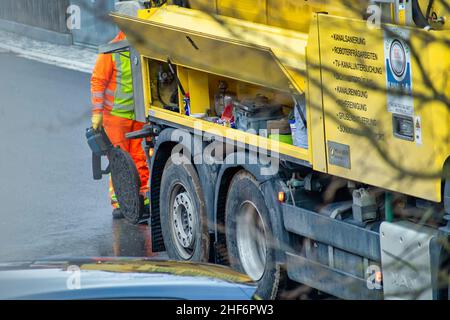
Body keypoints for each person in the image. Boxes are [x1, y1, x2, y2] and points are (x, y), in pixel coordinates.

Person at [90, 3, 149, 219]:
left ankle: (142, 197)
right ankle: (120, 202)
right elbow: (98, 82)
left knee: (140, 157)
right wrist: (97, 114)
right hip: (116, 118)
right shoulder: (111, 51)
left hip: (139, 115)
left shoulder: (142, 47)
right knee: (120, 160)